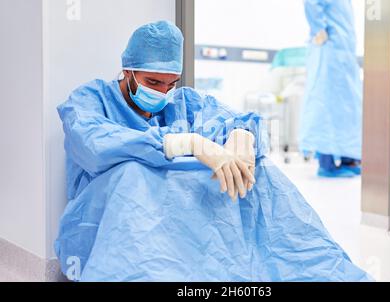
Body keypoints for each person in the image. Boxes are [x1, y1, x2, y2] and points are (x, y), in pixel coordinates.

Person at [55, 20, 371, 281]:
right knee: (133, 171)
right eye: (153, 82)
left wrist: (241, 137)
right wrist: (184, 143)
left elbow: (233, 119)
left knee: (254, 169)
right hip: (122, 221)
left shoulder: (185, 103)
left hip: (191, 233)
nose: (163, 93)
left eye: (171, 83)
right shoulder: (92, 99)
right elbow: (92, 143)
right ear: (127, 70)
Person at [300, 0, 363, 178]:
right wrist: (319, 29)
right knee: (324, 105)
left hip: (343, 51)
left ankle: (348, 158)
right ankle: (326, 163)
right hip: (329, 49)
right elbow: (311, 3)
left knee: (346, 109)